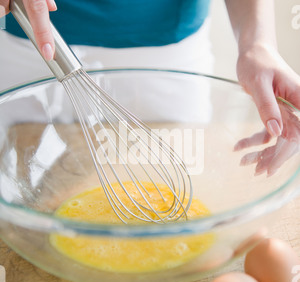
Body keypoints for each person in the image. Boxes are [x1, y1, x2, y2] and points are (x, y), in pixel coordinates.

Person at [1, 0, 300, 176]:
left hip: (168, 56)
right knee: (21, 176)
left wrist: (256, 43)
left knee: (177, 179)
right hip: (31, 38)